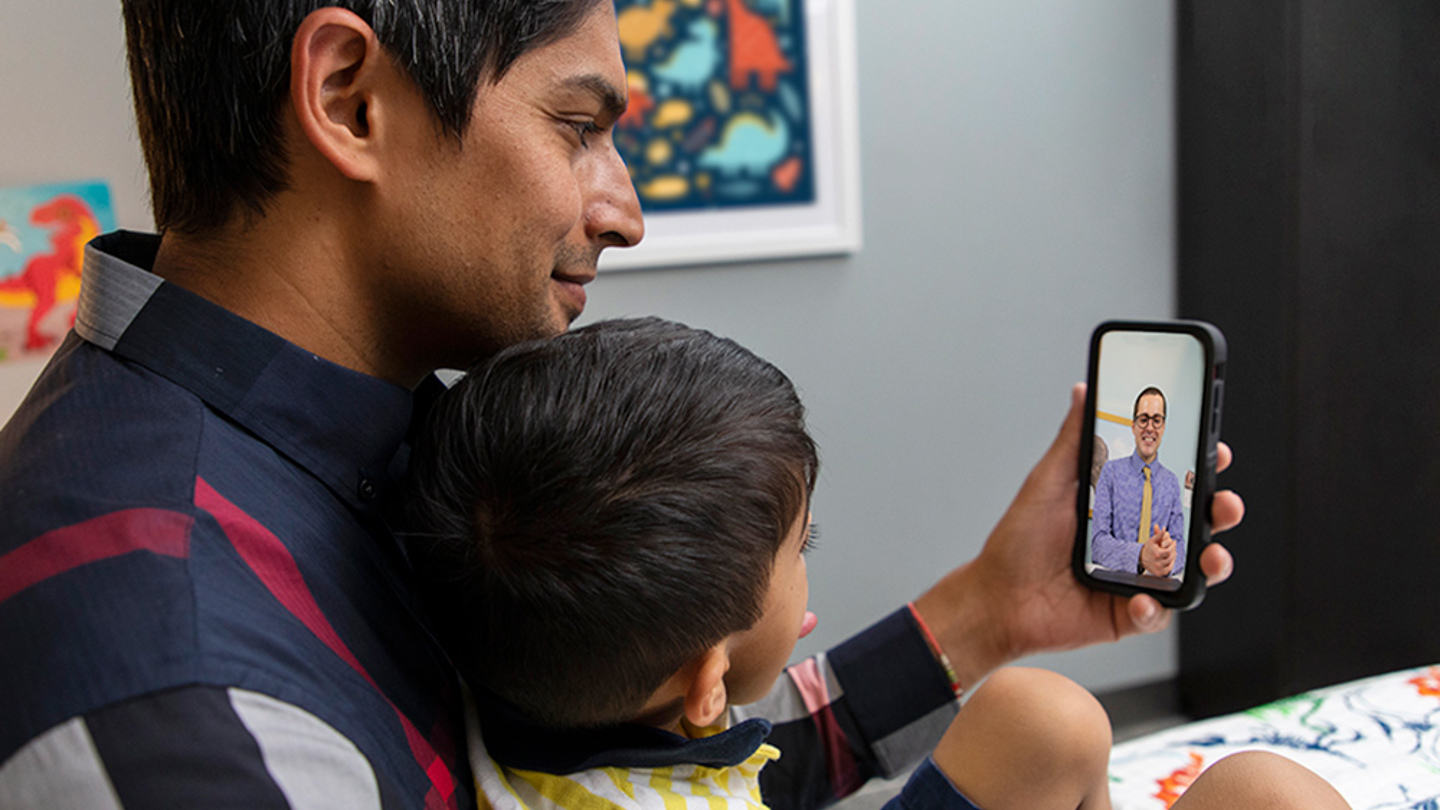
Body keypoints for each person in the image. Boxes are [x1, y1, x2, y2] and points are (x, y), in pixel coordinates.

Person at [0, 0, 1273, 808]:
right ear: (349, 98)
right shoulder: (183, 694)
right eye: (578, 126)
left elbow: (636, 772)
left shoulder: (379, 452)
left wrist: (994, 611)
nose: (625, 208)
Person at [403, 318, 1350, 810]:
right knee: (1269, 794)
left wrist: (997, 606)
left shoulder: (513, 673)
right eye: (797, 553)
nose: (807, 574)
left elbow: (781, 754)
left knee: (1043, 716)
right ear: (706, 687)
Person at [1091, 387, 1186, 578]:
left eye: (1156, 420)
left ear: (1163, 427)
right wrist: (1142, 556)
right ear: (1133, 426)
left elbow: (1180, 548)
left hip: (1157, 586)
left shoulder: (1172, 483)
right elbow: (1098, 544)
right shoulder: (1110, 472)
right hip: (1115, 583)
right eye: (1143, 419)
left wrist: (1169, 556)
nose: (1150, 428)